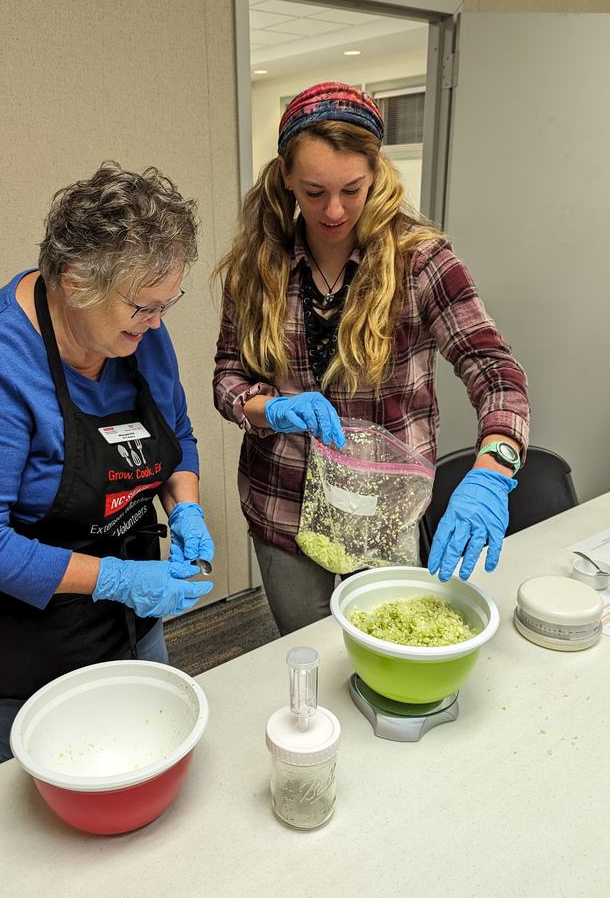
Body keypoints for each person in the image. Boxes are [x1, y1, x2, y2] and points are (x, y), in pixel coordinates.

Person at [213, 82, 529, 636]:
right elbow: (228, 377)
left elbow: (496, 373)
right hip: (283, 504)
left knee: (391, 643)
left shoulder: (420, 261)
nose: (333, 211)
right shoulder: (256, 266)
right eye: (313, 192)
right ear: (285, 176)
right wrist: (268, 408)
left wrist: (493, 469)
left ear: (376, 173)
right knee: (312, 650)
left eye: (351, 190)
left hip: (387, 508)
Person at [0, 161, 215, 761]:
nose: (159, 324)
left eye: (167, 303)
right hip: (25, 635)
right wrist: (114, 578)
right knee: (63, 796)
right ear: (75, 278)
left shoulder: (141, 336)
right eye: (143, 307)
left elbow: (176, 436)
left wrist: (185, 508)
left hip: (133, 612)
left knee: (146, 752)